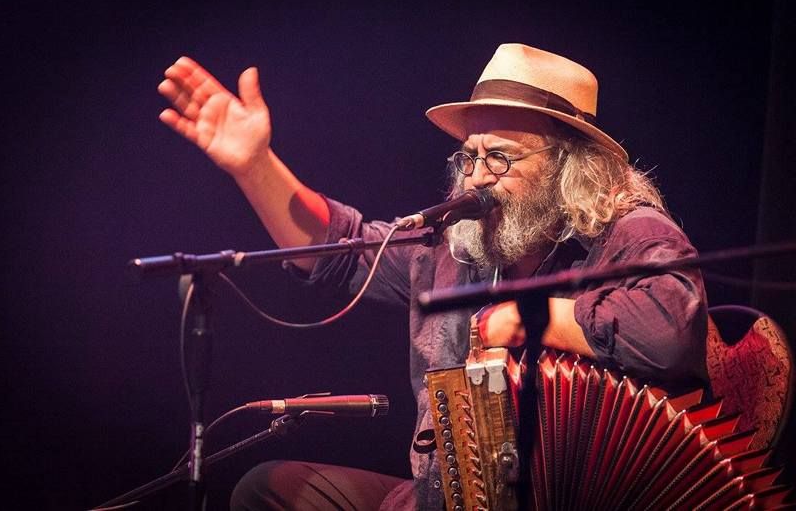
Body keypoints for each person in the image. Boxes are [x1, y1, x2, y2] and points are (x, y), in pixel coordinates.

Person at [158, 43, 709, 510]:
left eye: (500, 158)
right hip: (445, 497)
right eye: (469, 157)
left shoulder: (629, 234)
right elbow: (339, 250)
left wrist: (537, 318)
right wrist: (255, 166)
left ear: (569, 166)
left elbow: (670, 336)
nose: (477, 178)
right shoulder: (456, 248)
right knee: (267, 489)